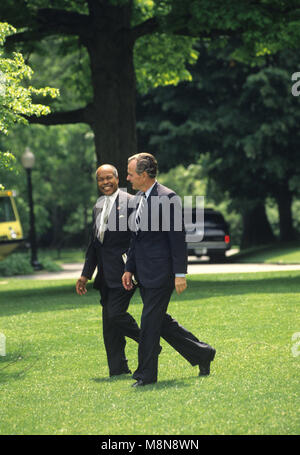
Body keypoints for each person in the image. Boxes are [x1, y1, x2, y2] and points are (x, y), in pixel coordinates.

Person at [122, 153, 216, 387]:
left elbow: (177, 239)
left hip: (161, 274)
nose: (127, 177)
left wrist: (180, 274)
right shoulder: (137, 199)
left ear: (144, 175)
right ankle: (202, 353)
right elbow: (135, 240)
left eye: (131, 173)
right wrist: (128, 268)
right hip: (142, 274)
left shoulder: (168, 198)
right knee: (160, 322)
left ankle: (145, 375)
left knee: (149, 324)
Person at [76, 164, 140, 377]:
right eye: (101, 179)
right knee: (109, 328)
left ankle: (147, 341)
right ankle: (118, 369)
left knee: (115, 315)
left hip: (125, 274)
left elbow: (137, 241)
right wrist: (85, 275)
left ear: (117, 178)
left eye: (108, 178)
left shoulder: (131, 203)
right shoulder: (98, 206)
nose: (105, 182)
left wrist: (131, 268)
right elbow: (94, 246)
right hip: (105, 277)